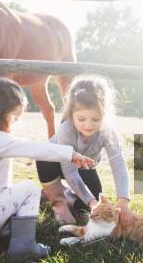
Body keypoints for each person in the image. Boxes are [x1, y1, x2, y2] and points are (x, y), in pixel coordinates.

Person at [0, 77, 93, 258]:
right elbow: (34, 148)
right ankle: (23, 247)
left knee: (15, 192)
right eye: (14, 116)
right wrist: (71, 154)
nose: (15, 122)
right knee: (29, 190)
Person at [37, 75, 132, 227]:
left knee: (84, 208)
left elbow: (118, 162)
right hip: (56, 164)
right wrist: (92, 202)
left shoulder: (107, 131)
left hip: (84, 167)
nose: (88, 125)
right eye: (81, 119)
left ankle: (62, 195)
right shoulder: (66, 128)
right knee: (44, 155)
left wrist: (123, 199)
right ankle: (58, 201)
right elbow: (69, 170)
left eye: (96, 119)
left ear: (104, 115)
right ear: (71, 114)